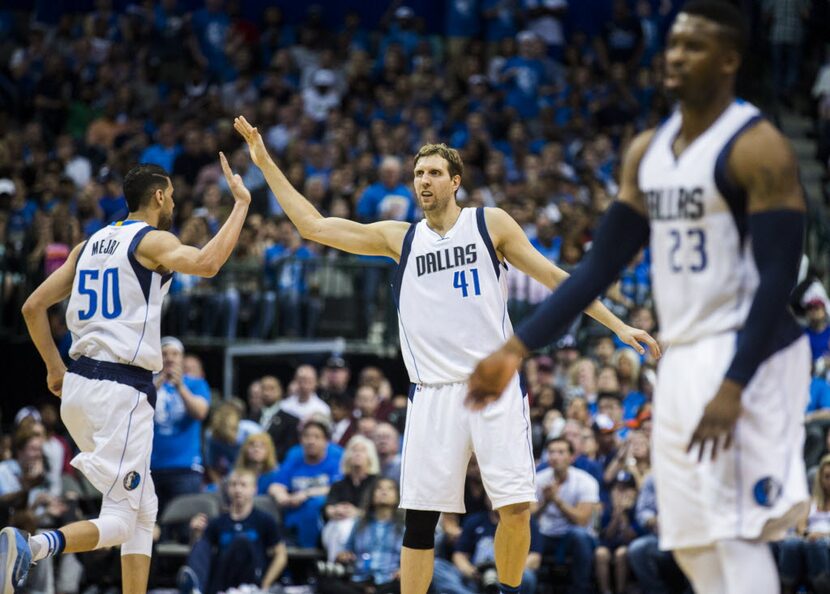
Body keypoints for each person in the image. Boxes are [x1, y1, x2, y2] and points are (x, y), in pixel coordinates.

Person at [232, 114, 655, 594]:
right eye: (418, 174)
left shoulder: (487, 223)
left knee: (515, 507)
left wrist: (619, 325)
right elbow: (314, 226)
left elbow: (557, 278)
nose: (423, 181)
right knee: (419, 520)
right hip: (432, 392)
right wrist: (264, 161)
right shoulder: (401, 238)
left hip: (492, 385)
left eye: (433, 173)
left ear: (456, 181)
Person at [468, 2, 810, 592]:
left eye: (694, 46)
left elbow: (779, 277)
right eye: (673, 43)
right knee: (694, 541)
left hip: (752, 354)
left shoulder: (760, 148)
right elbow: (597, 266)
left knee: (738, 537)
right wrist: (515, 348)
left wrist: (734, 381)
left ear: (729, 60)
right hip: (683, 357)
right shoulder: (648, 152)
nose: (676, 55)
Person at [8, 157, 251, 594]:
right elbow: (208, 263)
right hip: (120, 391)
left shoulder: (89, 244)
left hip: (79, 388)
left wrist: (53, 367)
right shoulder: (151, 240)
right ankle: (34, 546)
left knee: (143, 506)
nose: (174, 201)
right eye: (172, 194)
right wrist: (241, 207)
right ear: (159, 196)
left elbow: (31, 308)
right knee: (121, 518)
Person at [177, 469, 287, 594]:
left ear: (254, 489)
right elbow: (200, 553)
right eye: (233, 485)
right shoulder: (218, 522)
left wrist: (265, 585)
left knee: (242, 541)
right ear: (228, 489)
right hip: (222, 579)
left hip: (252, 579)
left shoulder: (265, 520)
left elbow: (281, 555)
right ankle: (196, 589)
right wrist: (195, 534)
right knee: (201, 543)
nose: (238, 490)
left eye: (243, 485)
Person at [151, 336, 211, 516]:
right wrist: (157, 385)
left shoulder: (195, 384)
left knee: (186, 526)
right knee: (151, 529)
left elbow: (200, 412)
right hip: (152, 467)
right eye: (164, 354)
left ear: (182, 358)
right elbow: (134, 412)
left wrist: (180, 387)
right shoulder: (148, 384)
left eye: (175, 354)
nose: (169, 358)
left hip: (186, 468)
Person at [533, 437, 599, 594]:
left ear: (572, 457)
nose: (555, 456)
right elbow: (531, 516)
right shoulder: (538, 479)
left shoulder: (585, 481)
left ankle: (580, 590)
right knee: (529, 532)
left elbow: (582, 521)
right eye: (551, 452)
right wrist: (546, 502)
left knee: (580, 535)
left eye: (561, 452)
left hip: (572, 535)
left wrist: (557, 500)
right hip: (547, 533)